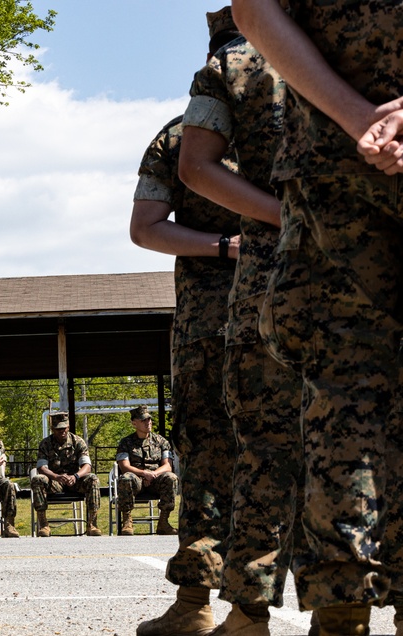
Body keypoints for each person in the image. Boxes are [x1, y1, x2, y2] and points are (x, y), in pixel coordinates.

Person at [233, 2, 403, 633]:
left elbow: (253, 8)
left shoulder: (221, 74)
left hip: (333, 163)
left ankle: (339, 613)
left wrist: (359, 118)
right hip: (335, 174)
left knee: (340, 404)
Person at [177, 9, 304, 634]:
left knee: (262, 445)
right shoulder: (363, 57)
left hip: (262, 289)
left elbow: (191, 172)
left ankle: (247, 612)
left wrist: (281, 219)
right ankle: (344, 609)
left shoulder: (228, 71)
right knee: (363, 437)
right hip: (370, 267)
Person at [129, 9, 244, 634]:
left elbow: (146, 229)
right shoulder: (312, 125)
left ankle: (195, 605)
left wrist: (220, 248)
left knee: (208, 456)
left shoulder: (178, 136)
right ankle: (338, 607)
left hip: (211, 322)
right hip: (307, 308)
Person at [30, 411, 102, 537]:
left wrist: (76, 476)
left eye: (64, 428)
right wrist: (56, 476)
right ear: (52, 429)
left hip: (75, 481)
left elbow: (87, 466)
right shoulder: (45, 444)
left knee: (93, 479)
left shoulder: (78, 442)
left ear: (68, 427)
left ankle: (92, 523)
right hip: (55, 481)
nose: (61, 431)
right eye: (58, 429)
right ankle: (43, 524)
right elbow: (41, 467)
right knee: (38, 479)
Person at [115, 406, 178, 537]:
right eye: (143, 420)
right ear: (134, 423)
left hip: (156, 480)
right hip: (137, 480)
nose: (148, 422)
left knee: (171, 477)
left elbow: (167, 466)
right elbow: (124, 466)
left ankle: (163, 522)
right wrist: (144, 473)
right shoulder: (126, 442)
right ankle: (127, 521)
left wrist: (153, 474)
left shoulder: (161, 441)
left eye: (149, 419)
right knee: (126, 478)